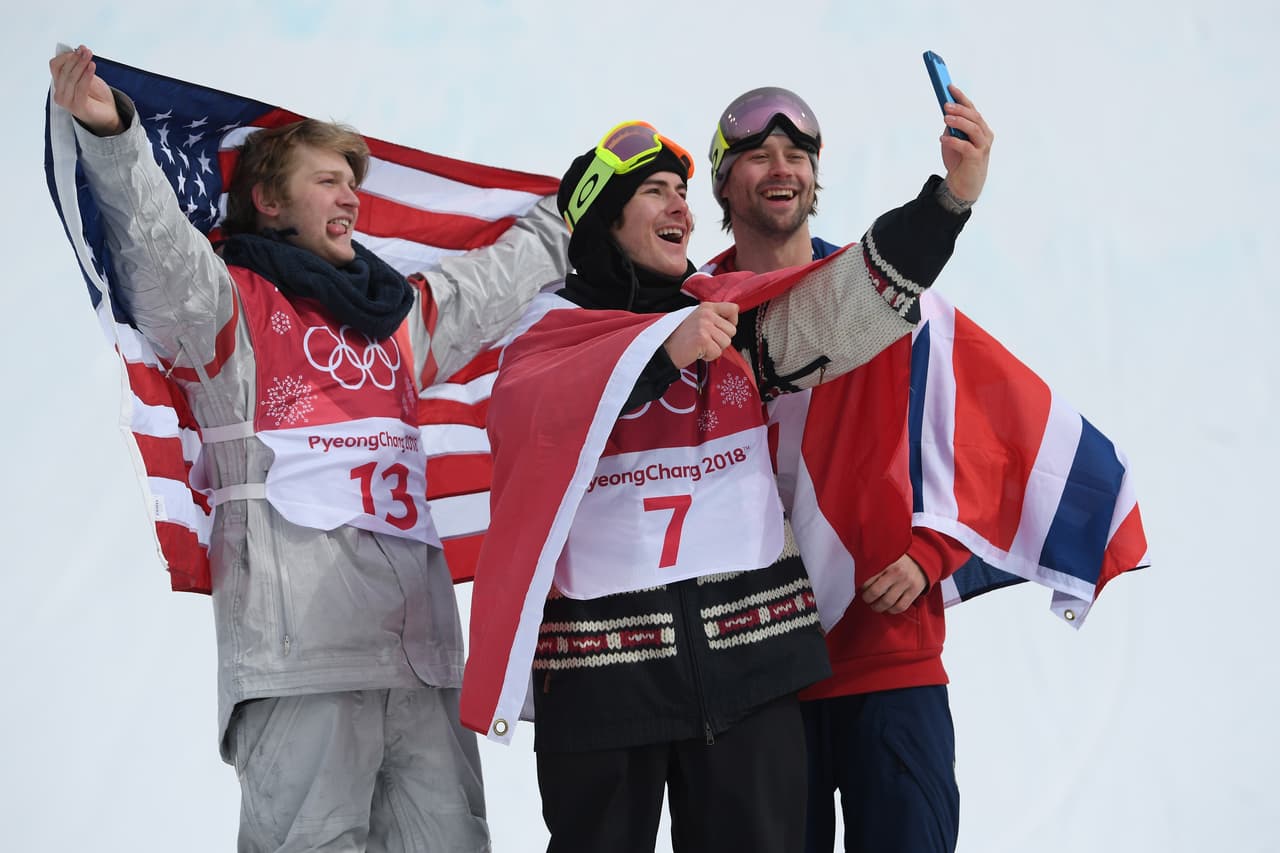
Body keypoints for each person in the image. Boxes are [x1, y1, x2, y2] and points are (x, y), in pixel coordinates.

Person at [49, 45, 567, 852]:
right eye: (328, 180)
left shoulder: (393, 321)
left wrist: (570, 215)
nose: (352, 197)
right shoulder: (227, 309)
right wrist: (113, 136)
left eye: (353, 182)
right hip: (302, 666)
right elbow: (155, 249)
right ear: (268, 199)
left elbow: (494, 281)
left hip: (423, 665)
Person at [459, 117, 976, 853]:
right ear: (606, 218)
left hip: (751, 668)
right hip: (604, 681)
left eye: (682, 192)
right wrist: (660, 352)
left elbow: (849, 308)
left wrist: (948, 202)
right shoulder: (547, 333)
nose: (682, 209)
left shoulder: (725, 320)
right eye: (654, 193)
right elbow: (539, 413)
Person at [701, 85, 994, 853]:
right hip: (751, 671)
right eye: (758, 154)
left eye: (796, 154)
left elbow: (979, 440)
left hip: (885, 657)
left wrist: (934, 551)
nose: (781, 166)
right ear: (722, 181)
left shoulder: (894, 299)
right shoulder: (685, 319)